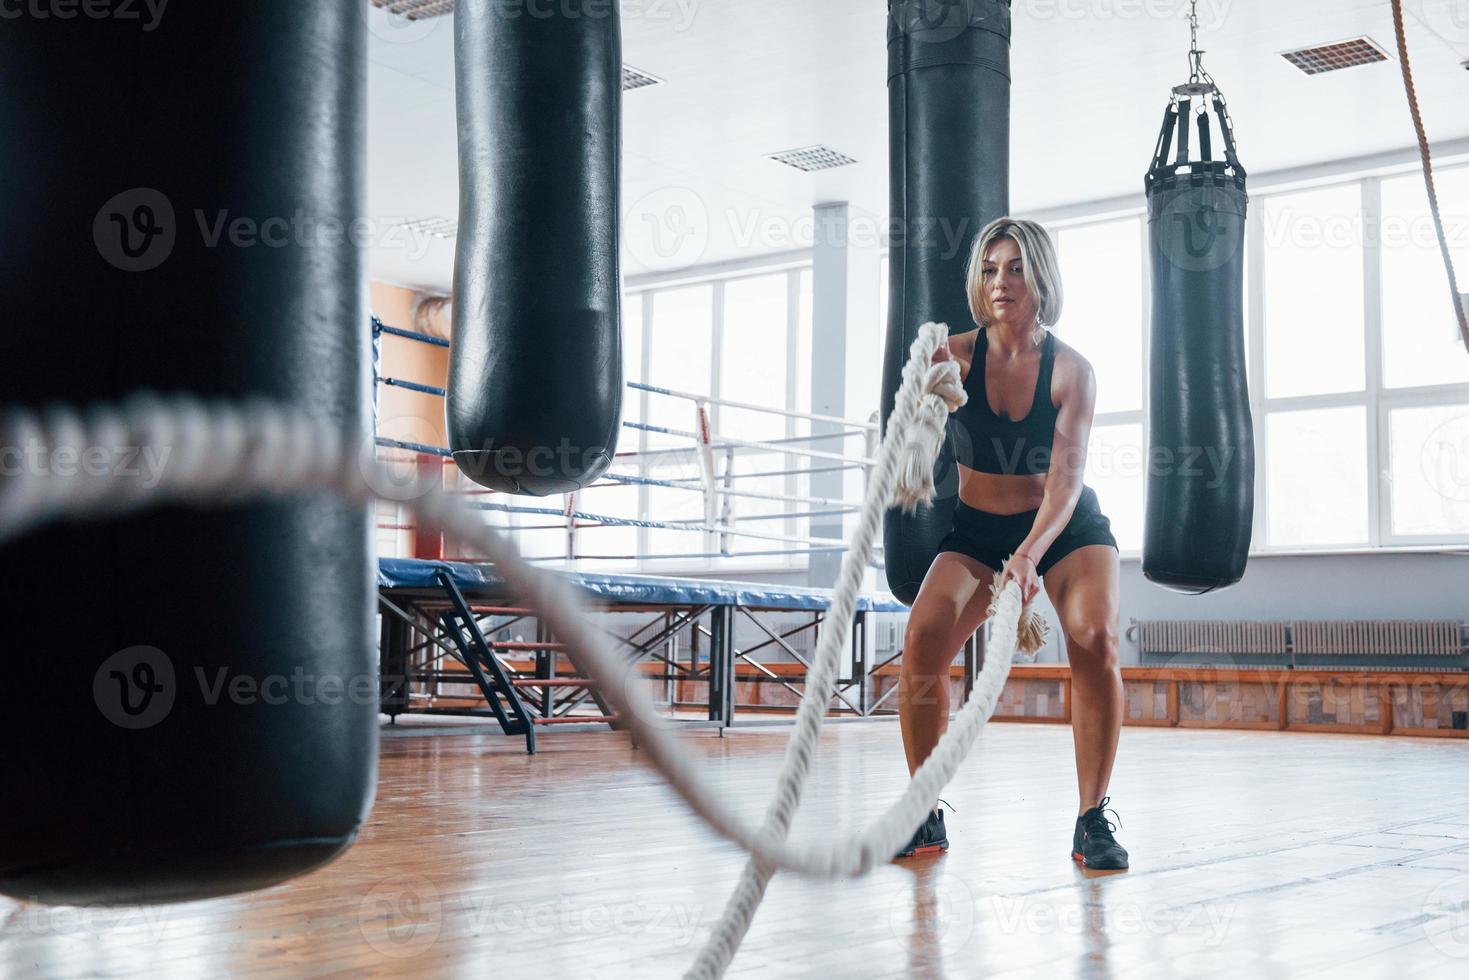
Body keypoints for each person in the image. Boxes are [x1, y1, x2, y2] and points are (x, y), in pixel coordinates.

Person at [893, 217, 1128, 870]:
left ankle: (1091, 819)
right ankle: (924, 811)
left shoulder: (1071, 371)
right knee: (921, 640)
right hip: (976, 535)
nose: (1001, 281)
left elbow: (1065, 479)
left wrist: (1028, 555)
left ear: (1040, 277)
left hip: (1063, 531)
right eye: (990, 268)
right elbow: (918, 438)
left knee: (1094, 638)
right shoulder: (954, 356)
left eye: (1016, 268)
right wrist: (923, 407)